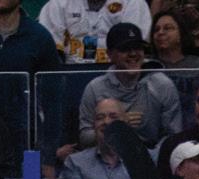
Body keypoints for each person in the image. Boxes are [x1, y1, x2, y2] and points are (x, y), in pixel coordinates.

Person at [77, 22, 182, 150]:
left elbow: (173, 134)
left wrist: (151, 156)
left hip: (151, 153)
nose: (133, 54)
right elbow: (84, 137)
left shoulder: (162, 85)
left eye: (137, 48)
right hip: (106, 153)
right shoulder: (95, 88)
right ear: (110, 54)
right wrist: (116, 128)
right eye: (125, 49)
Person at [57, 98, 133, 179]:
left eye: (113, 117)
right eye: (100, 118)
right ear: (94, 126)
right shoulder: (76, 162)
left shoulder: (145, 161)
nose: (106, 122)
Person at [39, 0, 152, 64]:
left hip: (117, 75)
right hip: (69, 76)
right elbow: (51, 56)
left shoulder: (133, 3)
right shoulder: (57, 4)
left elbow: (134, 54)